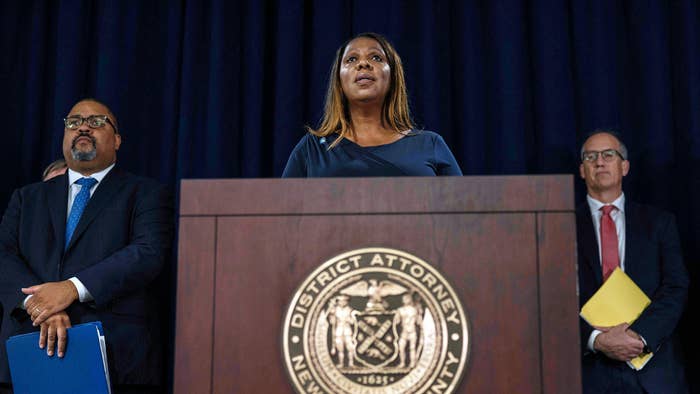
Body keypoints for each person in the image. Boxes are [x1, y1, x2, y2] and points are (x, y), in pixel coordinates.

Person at [0, 98, 174, 393]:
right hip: (29, 350)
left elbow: (147, 253)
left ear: (117, 140)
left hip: (117, 360)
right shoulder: (25, 198)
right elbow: (4, 256)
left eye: (96, 122)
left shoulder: (146, 193)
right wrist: (40, 305)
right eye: (74, 122)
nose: (83, 126)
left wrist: (70, 288)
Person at [576, 130, 689, 393]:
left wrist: (639, 336)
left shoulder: (660, 223)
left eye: (608, 155)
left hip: (653, 370)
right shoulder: (559, 226)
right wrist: (597, 340)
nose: (600, 162)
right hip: (587, 373)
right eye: (590, 157)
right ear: (582, 170)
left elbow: (676, 287)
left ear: (624, 166)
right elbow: (551, 299)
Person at [282, 32, 462, 177]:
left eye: (376, 57)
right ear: (339, 80)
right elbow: (283, 216)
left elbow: (463, 215)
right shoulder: (311, 149)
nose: (363, 64)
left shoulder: (430, 144)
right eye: (351, 59)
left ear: (393, 77)